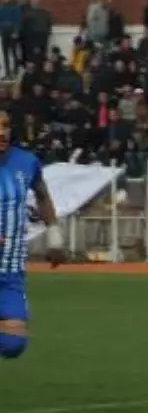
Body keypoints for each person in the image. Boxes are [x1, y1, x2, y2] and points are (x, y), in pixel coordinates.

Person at [0, 110, 67, 360]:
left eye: (5, 125)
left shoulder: (25, 162)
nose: (1, 132)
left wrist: (55, 237)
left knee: (13, 344)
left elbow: (41, 194)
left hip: (9, 271)